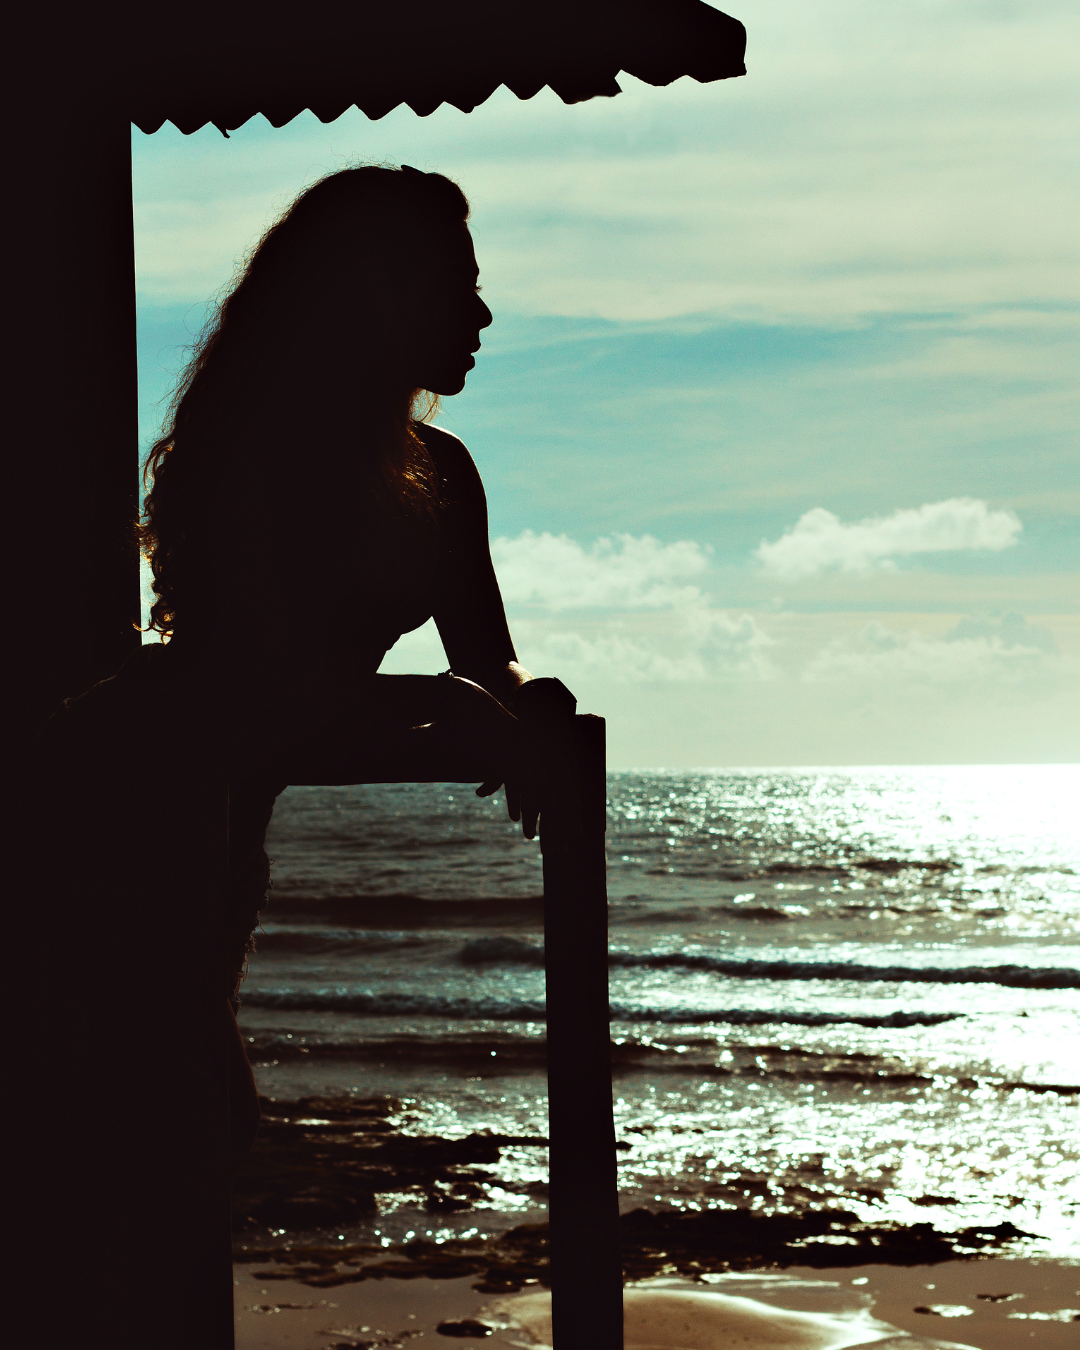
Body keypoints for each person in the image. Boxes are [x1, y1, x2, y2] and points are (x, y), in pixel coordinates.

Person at [18, 165, 550, 1349]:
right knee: (134, 1116)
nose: (480, 315)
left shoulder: (443, 474)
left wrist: (522, 704)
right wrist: (450, 702)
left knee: (185, 1112)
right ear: (380, 297)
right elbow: (261, 687)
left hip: (209, 820)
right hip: (118, 799)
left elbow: (489, 657)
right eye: (458, 288)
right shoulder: (255, 451)